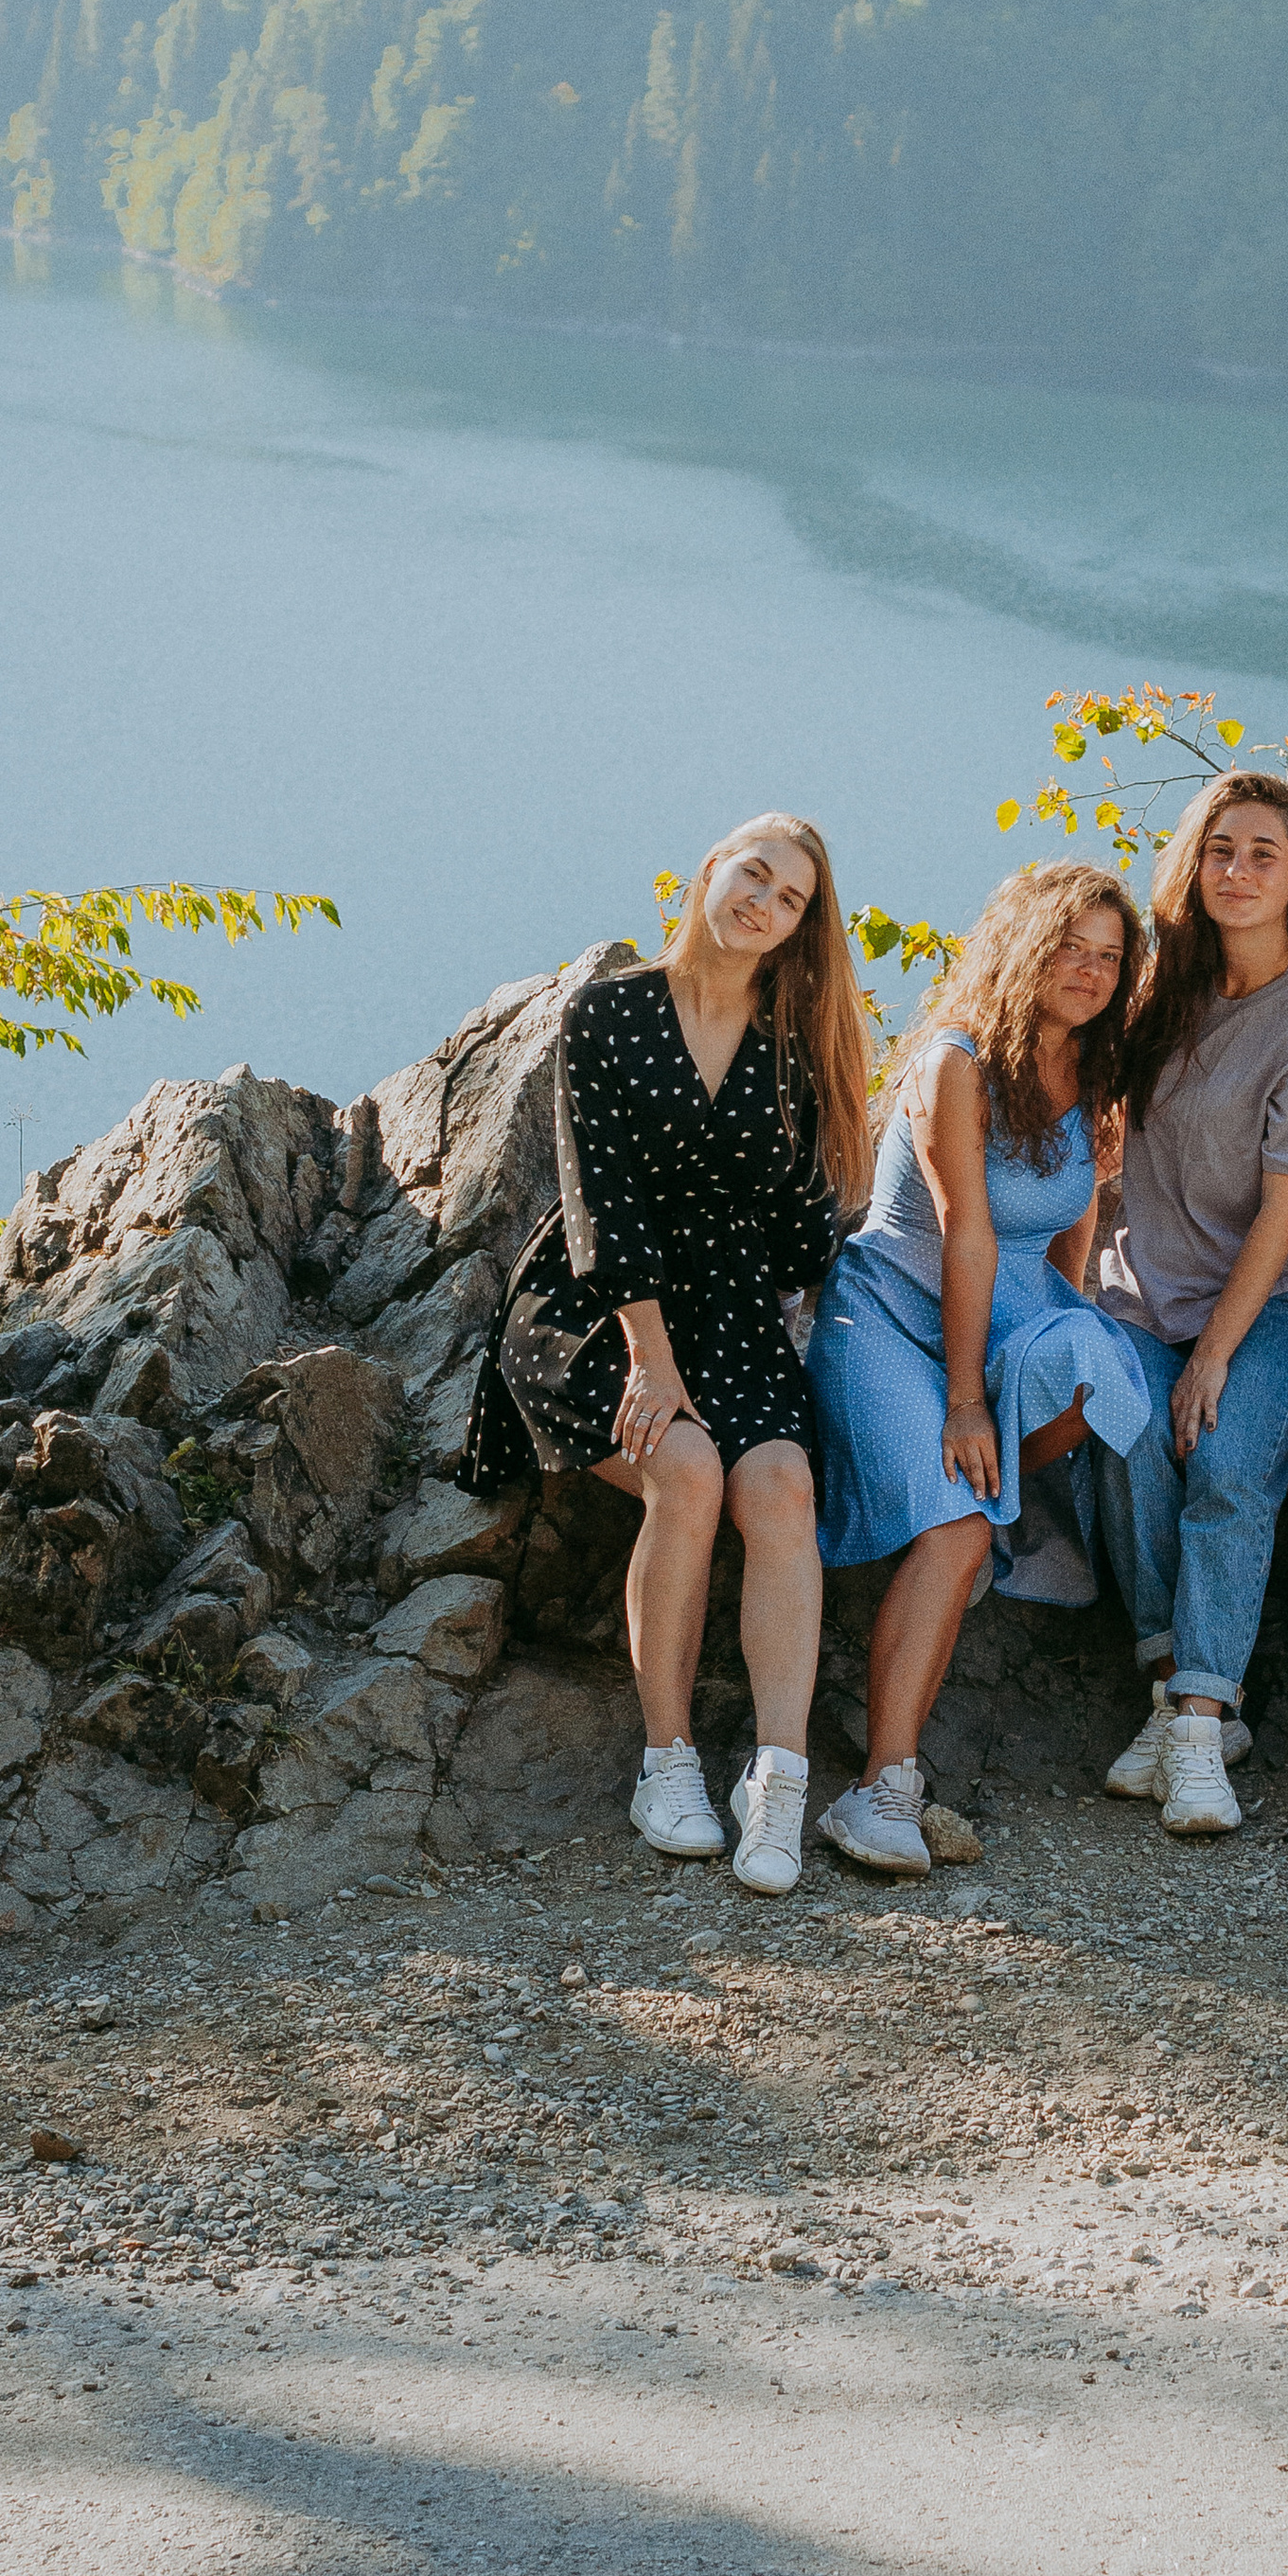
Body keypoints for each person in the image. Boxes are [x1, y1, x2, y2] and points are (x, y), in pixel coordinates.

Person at [459, 812, 872, 1895]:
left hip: (730, 1309)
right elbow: (598, 1195)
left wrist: (818, 1185)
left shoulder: (792, 1047)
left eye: (789, 899)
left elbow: (796, 1236)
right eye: (754, 875)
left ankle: (778, 1779)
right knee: (685, 1469)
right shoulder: (608, 1010)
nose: (763, 903)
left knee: (779, 1485)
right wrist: (650, 1358)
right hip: (597, 1305)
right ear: (710, 871)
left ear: (798, 928)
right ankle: (667, 1761)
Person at [808, 862, 1155, 1874]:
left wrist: (1046, 1338)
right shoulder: (955, 1061)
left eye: (1108, 956)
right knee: (956, 1527)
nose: (1088, 971)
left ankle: (988, 1498)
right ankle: (881, 1789)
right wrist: (967, 1400)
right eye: (1068, 947)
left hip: (1003, 1310)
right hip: (889, 1316)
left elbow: (1073, 1228)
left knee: (1105, 1364)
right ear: (1020, 947)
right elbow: (966, 1232)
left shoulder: (1092, 1069)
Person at [1092, 773, 1288, 1837]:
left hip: (1273, 1302)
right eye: (1219, 850)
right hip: (1142, 1290)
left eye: (1262, 855)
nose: (1236, 871)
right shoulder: (1161, 990)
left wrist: (1213, 1355)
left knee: (1227, 1467)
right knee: (1127, 1439)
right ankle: (1171, 1690)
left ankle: (1201, 1733)